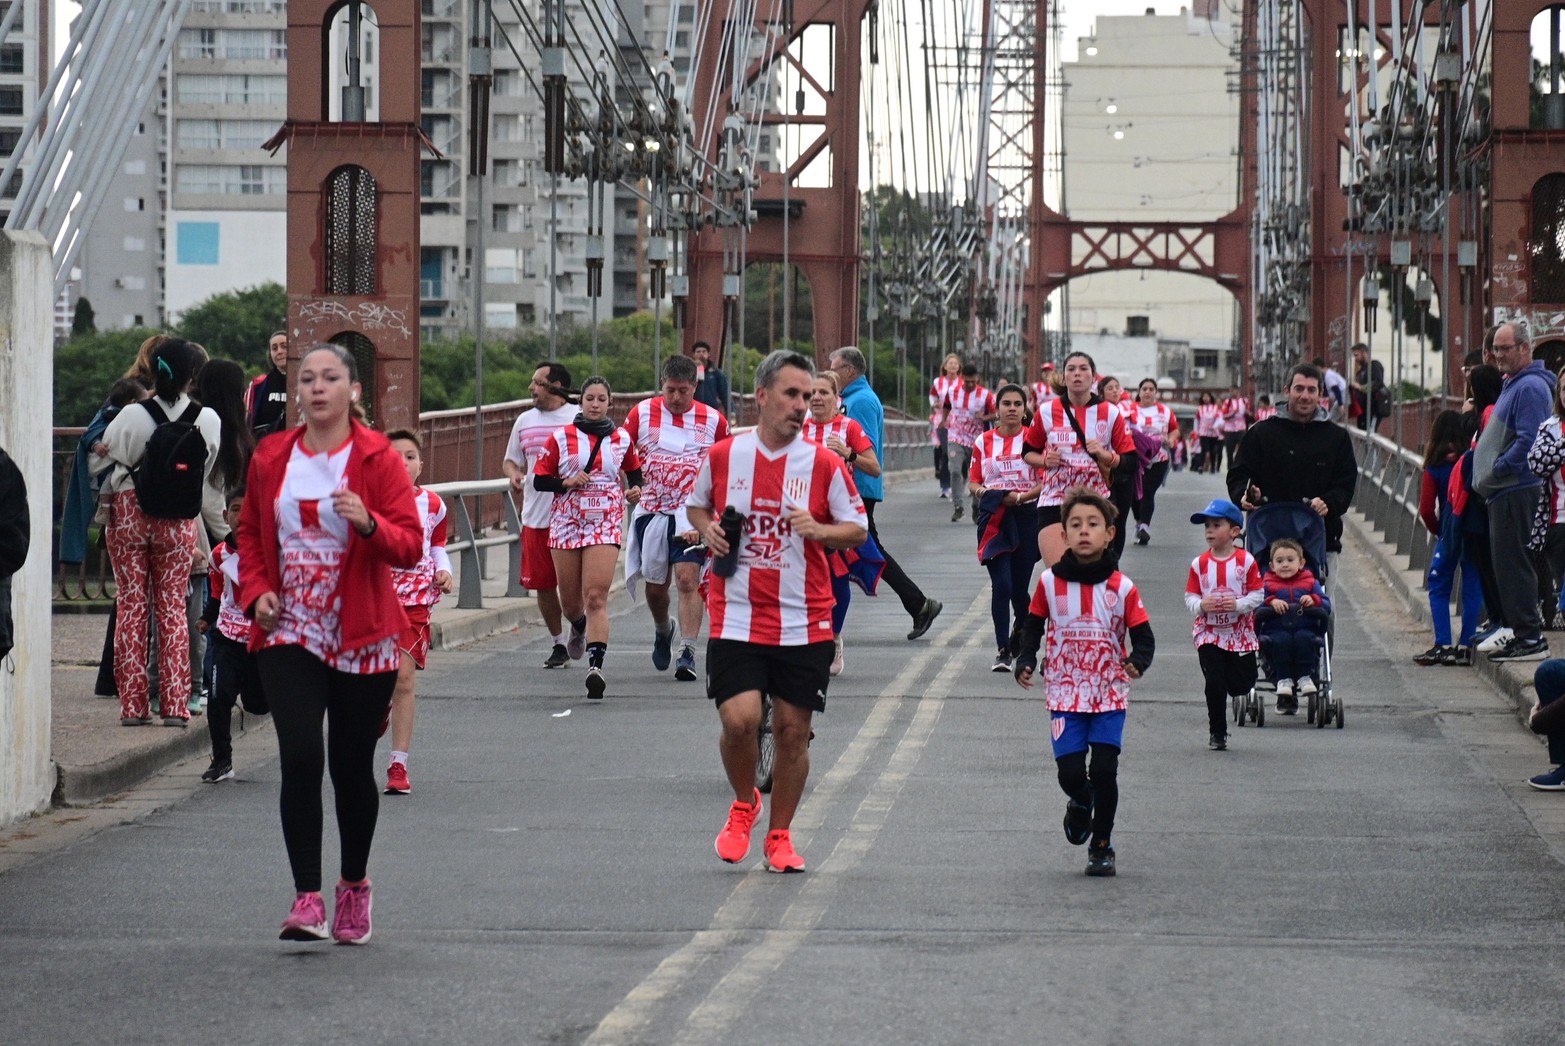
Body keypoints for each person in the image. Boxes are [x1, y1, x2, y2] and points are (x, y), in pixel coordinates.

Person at [239, 342, 425, 945]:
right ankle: (307, 898)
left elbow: (409, 545)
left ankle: (353, 886)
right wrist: (257, 592)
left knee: (349, 768)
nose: (317, 387)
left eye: (330, 378)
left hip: (362, 631)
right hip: (290, 628)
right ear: (298, 391)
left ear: (353, 391)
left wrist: (369, 522)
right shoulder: (272, 455)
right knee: (299, 756)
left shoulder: (377, 459)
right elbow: (249, 532)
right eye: (308, 378)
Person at [690, 350, 868, 874]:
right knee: (740, 721)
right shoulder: (725, 456)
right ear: (762, 396)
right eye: (792, 394)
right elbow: (697, 504)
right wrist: (707, 530)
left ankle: (780, 837)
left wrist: (820, 530)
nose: (803, 404)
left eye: (810, 395)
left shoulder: (824, 463)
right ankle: (744, 804)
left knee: (793, 731)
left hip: (805, 615)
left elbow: (856, 527)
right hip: (737, 611)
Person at [1012, 490, 1154, 877]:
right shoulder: (1048, 583)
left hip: (1108, 692)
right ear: (1064, 534)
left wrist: (1137, 661)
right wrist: (1026, 659)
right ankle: (1080, 801)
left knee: (1106, 769)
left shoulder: (1122, 587)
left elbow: (1144, 637)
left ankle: (1102, 844)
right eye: (1075, 525)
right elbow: (1032, 625)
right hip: (1064, 691)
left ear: (1109, 533)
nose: (1084, 532)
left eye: (1093, 525)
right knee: (1072, 773)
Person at [91, 338, 223, 727]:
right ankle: (176, 706)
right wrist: (222, 530)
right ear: (191, 376)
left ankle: (133, 706)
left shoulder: (132, 415)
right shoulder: (208, 419)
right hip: (178, 521)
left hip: (130, 512)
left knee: (132, 606)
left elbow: (99, 462)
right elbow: (208, 477)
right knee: (173, 610)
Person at [533, 376, 643, 700]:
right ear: (580, 402)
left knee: (596, 596)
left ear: (610, 403)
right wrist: (565, 481)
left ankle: (596, 668)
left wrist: (636, 489)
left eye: (601, 399)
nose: (595, 404)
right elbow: (539, 480)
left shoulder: (621, 439)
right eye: (589, 398)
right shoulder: (561, 438)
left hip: (605, 521)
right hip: (567, 520)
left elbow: (635, 473)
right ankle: (577, 625)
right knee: (571, 602)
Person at [624, 354, 729, 682]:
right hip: (653, 511)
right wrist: (633, 485)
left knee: (687, 579)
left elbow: (727, 467)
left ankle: (688, 651)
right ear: (662, 385)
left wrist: (721, 515)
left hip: (692, 514)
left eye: (683, 391)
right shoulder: (641, 413)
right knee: (656, 588)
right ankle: (662, 628)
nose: (676, 398)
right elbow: (621, 454)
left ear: (694, 387)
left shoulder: (714, 420)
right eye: (670, 390)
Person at [828, 346, 943, 639]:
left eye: (834, 367)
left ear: (850, 371)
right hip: (851, 487)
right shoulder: (849, 399)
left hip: (858, 487)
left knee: (866, 549)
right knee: (867, 549)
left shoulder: (862, 401)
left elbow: (865, 450)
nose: (830, 373)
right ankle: (918, 605)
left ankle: (919, 605)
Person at [1473, 319, 1555, 662]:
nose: (1498, 355)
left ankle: (1530, 638)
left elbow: (1530, 440)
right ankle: (1522, 633)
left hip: (1516, 489)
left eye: (1505, 348)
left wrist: (1497, 469)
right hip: (1504, 491)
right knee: (1506, 565)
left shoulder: (1530, 387)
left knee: (1514, 565)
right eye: (1495, 349)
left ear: (1525, 348)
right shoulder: (1514, 384)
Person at [382, 430, 453, 796]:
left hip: (414, 602)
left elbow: (437, 545)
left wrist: (445, 571)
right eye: (394, 456)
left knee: (404, 679)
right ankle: (379, 709)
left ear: (420, 465)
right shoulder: (368, 503)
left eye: (410, 456)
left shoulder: (434, 504)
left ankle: (399, 764)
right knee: (379, 682)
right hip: (374, 599)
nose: (403, 462)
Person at [1227, 363, 1358, 555]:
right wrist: (1244, 495)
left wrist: (1328, 502)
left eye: (1311, 390)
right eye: (1299, 389)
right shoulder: (1260, 433)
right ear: (1287, 390)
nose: (1305, 396)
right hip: (1266, 542)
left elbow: (1346, 485)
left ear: (1320, 394)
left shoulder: (1337, 438)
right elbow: (1238, 475)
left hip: (1320, 542)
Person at [1021, 350, 1136, 567]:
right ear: (1064, 377)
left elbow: (1130, 462)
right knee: (1059, 576)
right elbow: (1027, 452)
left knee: (1094, 577)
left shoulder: (1110, 413)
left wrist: (1105, 455)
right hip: (1055, 500)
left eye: (1083, 369)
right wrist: (1045, 461)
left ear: (1093, 377)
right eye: (1071, 369)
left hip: (1096, 500)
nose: (1077, 374)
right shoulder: (1046, 411)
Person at [802, 369, 880, 676]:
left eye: (825, 393)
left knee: (837, 578)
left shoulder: (849, 427)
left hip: (837, 516)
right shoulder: (797, 429)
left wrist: (847, 453)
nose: (818, 398)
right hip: (802, 515)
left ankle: (833, 638)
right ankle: (809, 640)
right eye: (812, 393)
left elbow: (873, 468)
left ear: (838, 398)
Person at [501, 363, 579, 668]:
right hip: (535, 516)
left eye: (537, 383)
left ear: (556, 385)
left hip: (574, 517)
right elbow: (510, 460)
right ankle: (558, 642)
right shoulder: (524, 420)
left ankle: (578, 624)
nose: (531, 388)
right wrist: (514, 474)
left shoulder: (579, 418)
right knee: (543, 584)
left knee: (573, 585)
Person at [969, 383, 1041, 672]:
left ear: (1025, 410)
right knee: (1002, 585)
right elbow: (974, 481)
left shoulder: (1035, 441)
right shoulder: (983, 441)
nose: (1011, 408)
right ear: (996, 410)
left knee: (1020, 589)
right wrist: (988, 494)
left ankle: (1020, 634)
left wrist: (1022, 497)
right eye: (1006, 403)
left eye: (1017, 404)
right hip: (995, 519)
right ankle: (1002, 650)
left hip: (1027, 516)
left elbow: (1045, 480)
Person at [198, 488, 269, 783]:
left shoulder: (271, 553)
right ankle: (222, 760)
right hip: (227, 637)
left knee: (258, 703)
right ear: (226, 516)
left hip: (260, 640)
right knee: (218, 696)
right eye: (236, 509)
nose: (242, 516)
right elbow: (218, 591)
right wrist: (207, 617)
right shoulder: (219, 555)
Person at [1184, 498, 1262, 748]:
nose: (1209, 530)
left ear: (1234, 532)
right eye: (1207, 525)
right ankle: (1217, 732)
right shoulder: (1200, 564)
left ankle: (1234, 684)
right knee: (1214, 683)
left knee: (1242, 683)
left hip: (1239, 632)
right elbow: (1191, 595)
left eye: (1216, 525)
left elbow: (1258, 594)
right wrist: (1200, 606)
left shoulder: (1246, 561)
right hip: (1208, 632)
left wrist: (1238, 605)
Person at [1415, 410, 1481, 666]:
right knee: (1473, 585)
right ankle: (1466, 644)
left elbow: (1425, 508)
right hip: (1473, 530)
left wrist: (1439, 530)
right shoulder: (1470, 460)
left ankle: (1443, 643)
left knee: (1439, 583)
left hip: (1450, 531)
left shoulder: (1435, 466)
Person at [1255, 538, 1331, 712]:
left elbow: (1326, 605)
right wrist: (1271, 601)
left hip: (1305, 627)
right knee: (1281, 642)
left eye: (1290, 560)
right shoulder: (1267, 584)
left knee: (1304, 640)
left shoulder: (1311, 583)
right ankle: (1283, 679)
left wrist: (1314, 599)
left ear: (1302, 563)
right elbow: (1256, 605)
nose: (1285, 565)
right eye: (1280, 561)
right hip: (1276, 628)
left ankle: (1305, 676)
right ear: (1272, 566)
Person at [1129, 377, 1180, 546]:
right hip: (1136, 458)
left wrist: (1171, 439)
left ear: (1156, 393)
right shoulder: (1130, 410)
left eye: (1151, 389)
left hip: (1159, 457)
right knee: (1136, 494)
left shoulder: (1165, 411)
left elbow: (1174, 430)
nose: (1148, 392)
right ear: (1139, 392)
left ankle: (1144, 527)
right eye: (1144, 389)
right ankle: (1138, 522)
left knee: (1148, 492)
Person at [946, 363, 996, 522]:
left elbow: (996, 413)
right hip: (955, 437)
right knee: (954, 470)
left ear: (977, 379)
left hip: (977, 441)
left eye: (973, 382)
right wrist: (942, 420)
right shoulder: (953, 392)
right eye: (967, 381)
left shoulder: (985, 395)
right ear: (962, 379)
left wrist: (985, 417)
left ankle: (976, 505)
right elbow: (946, 406)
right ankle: (958, 507)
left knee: (977, 476)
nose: (970, 385)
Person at [930, 354, 962, 499]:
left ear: (959, 367)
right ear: (945, 366)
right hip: (941, 420)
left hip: (956, 421)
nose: (953, 366)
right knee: (944, 451)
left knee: (954, 453)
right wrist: (934, 404)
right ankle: (945, 486)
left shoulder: (962, 383)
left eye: (956, 363)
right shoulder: (938, 382)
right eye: (950, 363)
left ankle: (960, 478)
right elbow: (932, 396)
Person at [246, 331, 290, 436]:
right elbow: (247, 425)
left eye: (284, 346)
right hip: (268, 446)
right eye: (274, 348)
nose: (279, 351)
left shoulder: (307, 383)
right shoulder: (258, 385)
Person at [1350, 342, 1388, 433]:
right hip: (1363, 409)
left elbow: (1377, 382)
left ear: (1364, 353)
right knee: (1362, 432)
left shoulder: (1374, 366)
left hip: (1373, 407)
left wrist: (1361, 387)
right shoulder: (1361, 371)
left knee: (1371, 433)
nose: (1355, 359)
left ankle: (1371, 448)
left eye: (1357, 355)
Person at [691, 340, 731, 415]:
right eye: (698, 352)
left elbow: (725, 394)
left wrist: (731, 411)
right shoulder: (688, 372)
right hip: (693, 412)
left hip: (710, 413)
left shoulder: (715, 373)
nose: (701, 354)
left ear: (708, 354)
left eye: (704, 352)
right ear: (693, 355)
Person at [1193, 391, 1222, 474]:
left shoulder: (1215, 408)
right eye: (1204, 397)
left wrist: (1215, 426)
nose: (1205, 398)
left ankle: (1213, 466)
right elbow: (1197, 420)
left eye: (1207, 397)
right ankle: (1201, 466)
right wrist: (1196, 431)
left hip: (1213, 432)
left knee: (1213, 450)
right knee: (1204, 449)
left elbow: (1219, 418)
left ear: (1210, 398)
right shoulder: (1200, 408)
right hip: (1203, 431)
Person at [1312, 357, 1349, 421]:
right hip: (1343, 397)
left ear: (1318, 367)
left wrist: (1340, 405)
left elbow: (1336, 390)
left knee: (1331, 419)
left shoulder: (1328, 376)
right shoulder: (1329, 373)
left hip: (1342, 398)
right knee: (1332, 417)